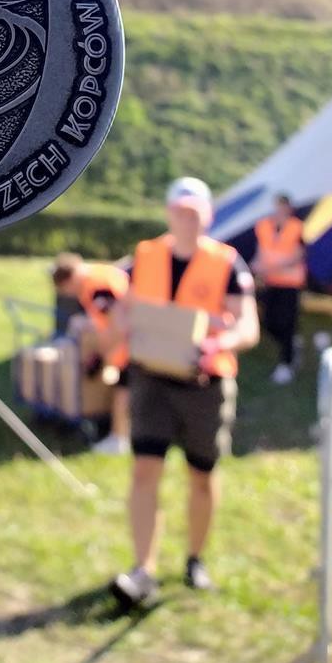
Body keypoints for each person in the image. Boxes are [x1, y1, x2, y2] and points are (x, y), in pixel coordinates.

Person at [103, 178, 259, 605]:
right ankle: (143, 569)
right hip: (151, 379)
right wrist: (117, 322)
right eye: (180, 211)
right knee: (144, 470)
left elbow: (248, 325)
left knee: (201, 474)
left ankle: (195, 558)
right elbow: (121, 307)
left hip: (204, 384)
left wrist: (220, 343)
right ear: (169, 213)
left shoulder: (227, 263)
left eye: (195, 212)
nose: (187, 219)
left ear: (208, 215)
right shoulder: (144, 257)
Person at [51, 254, 130, 454]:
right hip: (131, 339)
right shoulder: (99, 272)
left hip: (130, 344)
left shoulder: (95, 287)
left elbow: (118, 323)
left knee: (124, 388)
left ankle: (119, 437)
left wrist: (102, 353)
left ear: (68, 280)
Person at [253, 194, 305, 385]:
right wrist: (256, 268)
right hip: (270, 282)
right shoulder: (263, 226)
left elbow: (298, 255)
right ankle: (291, 344)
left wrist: (271, 268)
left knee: (287, 323)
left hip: (290, 283)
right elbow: (261, 252)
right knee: (269, 322)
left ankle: (287, 363)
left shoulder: (297, 227)